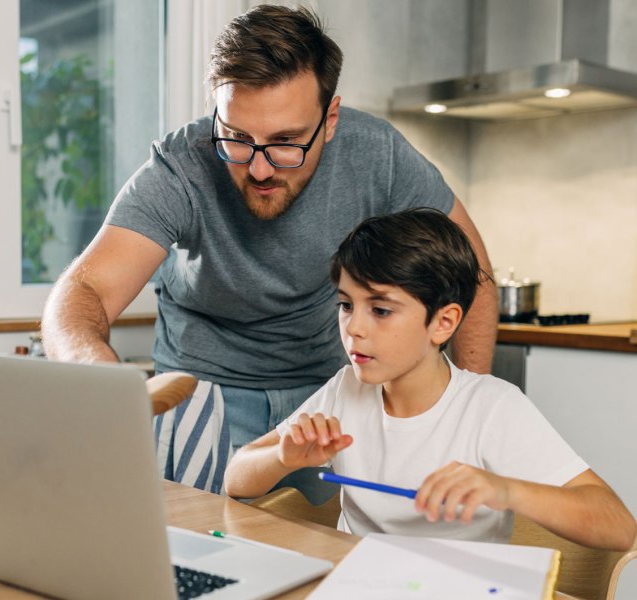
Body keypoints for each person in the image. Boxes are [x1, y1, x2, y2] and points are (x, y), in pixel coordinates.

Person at [41, 5, 498, 496]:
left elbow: (473, 276)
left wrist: (458, 416)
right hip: (203, 394)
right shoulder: (181, 165)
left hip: (330, 398)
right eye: (237, 138)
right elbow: (83, 290)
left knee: (325, 554)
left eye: (286, 141)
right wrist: (103, 384)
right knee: (198, 554)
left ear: (330, 119)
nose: (259, 169)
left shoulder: (378, 155)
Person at [223, 208, 636, 550]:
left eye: (381, 310)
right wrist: (283, 457)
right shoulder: (344, 389)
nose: (354, 329)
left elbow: (619, 527)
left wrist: (507, 490)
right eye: (346, 305)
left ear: (443, 323)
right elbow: (235, 478)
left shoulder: (490, 407)